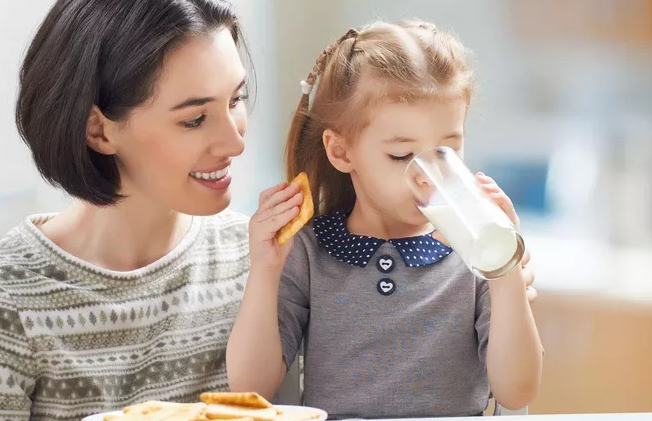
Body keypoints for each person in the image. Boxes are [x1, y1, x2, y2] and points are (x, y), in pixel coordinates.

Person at [227, 20, 543, 418]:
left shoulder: (475, 251)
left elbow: (517, 392)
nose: (429, 175)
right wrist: (265, 270)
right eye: (401, 156)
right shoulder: (310, 251)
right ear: (341, 152)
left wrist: (505, 273)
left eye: (447, 151)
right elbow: (249, 387)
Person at [0, 1, 252, 420]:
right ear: (98, 130)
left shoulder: (257, 260)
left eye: (236, 100)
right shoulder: (13, 294)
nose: (235, 143)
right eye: (194, 119)